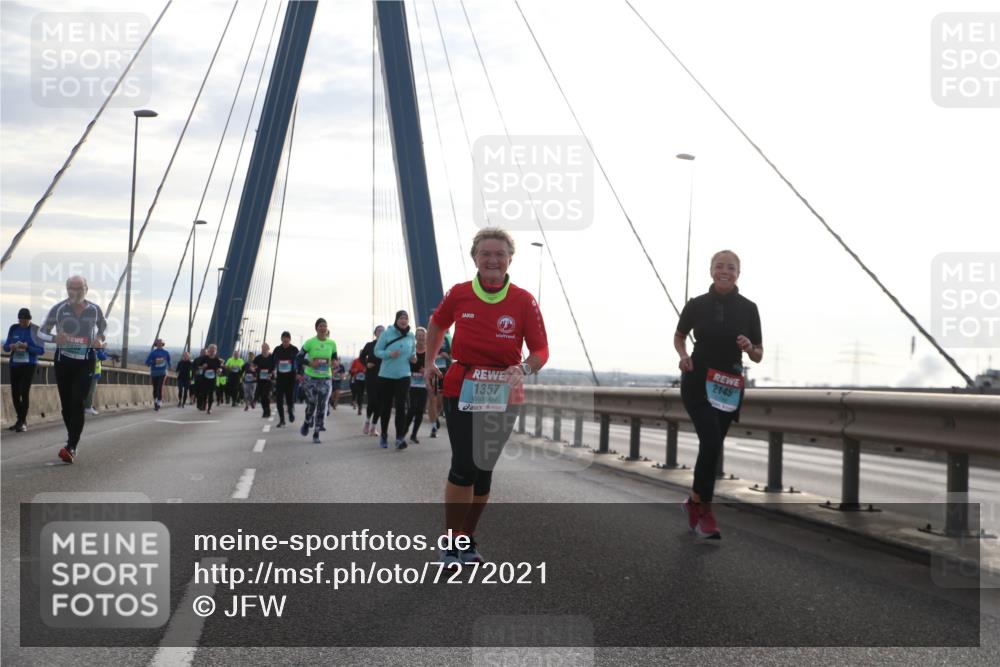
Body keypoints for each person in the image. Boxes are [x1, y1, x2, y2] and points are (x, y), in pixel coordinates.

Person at [425, 228, 548, 567]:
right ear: (474, 258)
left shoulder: (524, 300)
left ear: (510, 258)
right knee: (464, 464)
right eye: (485, 253)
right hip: (461, 386)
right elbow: (437, 324)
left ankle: (466, 540)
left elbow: (541, 348)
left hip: (504, 392)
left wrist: (524, 367)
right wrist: (430, 362)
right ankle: (450, 545)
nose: (493, 260)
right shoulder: (461, 294)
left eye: (499, 254)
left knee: (483, 470)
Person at [674, 250, 762, 540]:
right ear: (711, 270)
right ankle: (706, 511)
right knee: (710, 441)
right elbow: (679, 334)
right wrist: (684, 354)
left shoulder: (749, 308)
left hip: (729, 385)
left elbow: (759, 354)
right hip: (698, 380)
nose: (725, 271)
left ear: (739, 272)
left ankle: (693, 502)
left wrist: (749, 346)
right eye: (719, 266)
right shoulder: (696, 305)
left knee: (712, 448)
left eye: (731, 267)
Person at [37, 275, 108, 464]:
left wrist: (100, 338)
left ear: (86, 288)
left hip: (86, 362)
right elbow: (41, 331)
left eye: (78, 288)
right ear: (66, 289)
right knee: (67, 407)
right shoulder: (59, 309)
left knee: (77, 401)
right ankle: (72, 437)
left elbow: (104, 327)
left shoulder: (94, 310)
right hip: (64, 362)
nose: (74, 292)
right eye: (70, 288)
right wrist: (54, 339)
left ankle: (72, 446)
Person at [375, 311, 416, 450]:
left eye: (406, 318)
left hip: (404, 374)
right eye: (401, 318)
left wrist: (413, 357)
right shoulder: (387, 333)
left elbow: (413, 352)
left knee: (401, 406)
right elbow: (377, 351)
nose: (404, 321)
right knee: (386, 407)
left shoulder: (411, 335)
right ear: (396, 320)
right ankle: (384, 435)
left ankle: (400, 438)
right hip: (386, 375)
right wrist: (389, 354)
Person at [3, 307, 45, 432]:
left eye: (25, 321)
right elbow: (5, 347)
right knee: (15, 393)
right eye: (21, 321)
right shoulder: (13, 328)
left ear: (29, 320)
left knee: (24, 392)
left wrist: (27, 347)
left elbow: (41, 350)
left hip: (29, 364)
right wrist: (10, 346)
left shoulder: (36, 330)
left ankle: (22, 421)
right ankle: (20, 420)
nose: (22, 323)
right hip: (15, 364)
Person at [298, 318, 337, 443]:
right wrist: (310, 363)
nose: (323, 328)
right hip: (311, 378)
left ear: (327, 328)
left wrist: (335, 362)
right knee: (312, 403)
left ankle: (316, 433)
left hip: (326, 378)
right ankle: (307, 421)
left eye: (325, 326)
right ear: (316, 328)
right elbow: (298, 357)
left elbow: (334, 357)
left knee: (321, 406)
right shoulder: (310, 342)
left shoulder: (332, 343)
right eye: (320, 326)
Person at [404, 326, 429, 443]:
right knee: (412, 408)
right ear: (415, 337)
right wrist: (417, 368)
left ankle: (414, 434)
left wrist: (427, 370)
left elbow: (433, 364)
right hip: (411, 383)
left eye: (423, 335)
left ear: (426, 337)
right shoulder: (411, 349)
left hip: (424, 384)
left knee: (420, 410)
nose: (421, 338)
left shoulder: (429, 351)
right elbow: (405, 363)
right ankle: (404, 431)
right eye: (418, 335)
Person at [360, 325, 385, 436]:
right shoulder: (369, 345)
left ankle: (374, 427)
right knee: (372, 401)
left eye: (383, 331)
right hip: (371, 376)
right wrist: (366, 364)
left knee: (380, 403)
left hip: (384, 376)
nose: (381, 332)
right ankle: (367, 421)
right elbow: (361, 357)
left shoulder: (387, 346)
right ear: (375, 333)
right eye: (379, 330)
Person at [427, 329, 452, 438]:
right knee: (433, 399)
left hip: (445, 371)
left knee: (440, 401)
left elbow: (454, 354)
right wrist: (439, 355)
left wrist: (448, 356)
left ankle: (436, 417)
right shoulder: (429, 336)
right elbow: (425, 354)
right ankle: (433, 427)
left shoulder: (448, 338)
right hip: (433, 371)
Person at [272, 331, 298, 428]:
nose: (285, 339)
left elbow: (298, 362)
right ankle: (282, 420)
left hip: (290, 378)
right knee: (279, 399)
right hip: (280, 378)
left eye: (287, 337)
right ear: (281, 339)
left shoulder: (294, 349)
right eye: (284, 337)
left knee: (289, 398)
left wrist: (298, 373)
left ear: (290, 339)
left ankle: (290, 411)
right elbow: (272, 361)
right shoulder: (277, 349)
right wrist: (272, 371)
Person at [194, 344, 223, 415]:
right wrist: (202, 367)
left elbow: (220, 369)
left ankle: (209, 408)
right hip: (204, 379)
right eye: (210, 350)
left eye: (213, 350)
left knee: (211, 394)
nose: (212, 351)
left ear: (215, 351)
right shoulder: (204, 358)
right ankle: (204, 404)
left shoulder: (217, 360)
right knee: (204, 393)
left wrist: (219, 371)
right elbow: (198, 368)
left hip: (212, 379)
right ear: (208, 350)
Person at [144, 338, 171, 411]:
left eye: (161, 343)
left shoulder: (166, 352)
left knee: (160, 387)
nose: (159, 344)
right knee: (155, 388)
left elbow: (169, 361)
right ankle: (155, 401)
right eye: (158, 343)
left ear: (162, 344)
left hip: (162, 372)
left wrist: (170, 367)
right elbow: (147, 363)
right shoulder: (153, 353)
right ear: (156, 344)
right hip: (154, 373)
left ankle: (159, 403)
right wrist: (154, 361)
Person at [83, 346, 107, 415]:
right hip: (92, 373)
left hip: (92, 373)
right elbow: (103, 357)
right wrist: (102, 350)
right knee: (90, 391)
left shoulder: (92, 349)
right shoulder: (95, 351)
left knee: (87, 391)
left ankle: (85, 407)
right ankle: (88, 407)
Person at [253, 343, 275, 418]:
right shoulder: (258, 358)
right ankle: (265, 410)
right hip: (260, 379)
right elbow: (253, 366)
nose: (264, 349)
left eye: (265, 348)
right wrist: (254, 369)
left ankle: (267, 410)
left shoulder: (272, 357)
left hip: (268, 380)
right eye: (263, 348)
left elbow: (275, 367)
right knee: (262, 397)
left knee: (265, 395)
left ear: (268, 348)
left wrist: (272, 373)